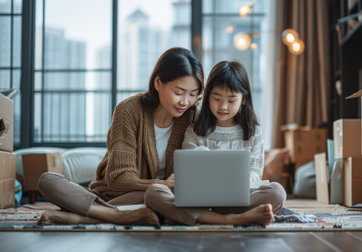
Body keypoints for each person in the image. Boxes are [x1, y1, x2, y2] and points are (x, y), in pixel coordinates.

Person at [37, 47, 204, 226]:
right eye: (178, 93)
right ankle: (116, 215)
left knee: (162, 197)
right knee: (48, 180)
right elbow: (119, 179)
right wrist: (161, 183)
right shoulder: (129, 110)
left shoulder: (193, 117)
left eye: (193, 94)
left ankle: (87, 216)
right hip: (120, 196)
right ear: (158, 83)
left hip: (160, 198)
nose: (185, 102)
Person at [144, 61, 286, 226]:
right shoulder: (194, 130)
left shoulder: (254, 133)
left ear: (244, 100)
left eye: (231, 100)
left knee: (277, 192)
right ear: (207, 97)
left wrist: (233, 183)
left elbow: (255, 173)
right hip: (198, 198)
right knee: (154, 193)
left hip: (235, 198)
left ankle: (193, 216)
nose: (223, 106)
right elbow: (186, 172)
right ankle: (232, 219)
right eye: (216, 98)